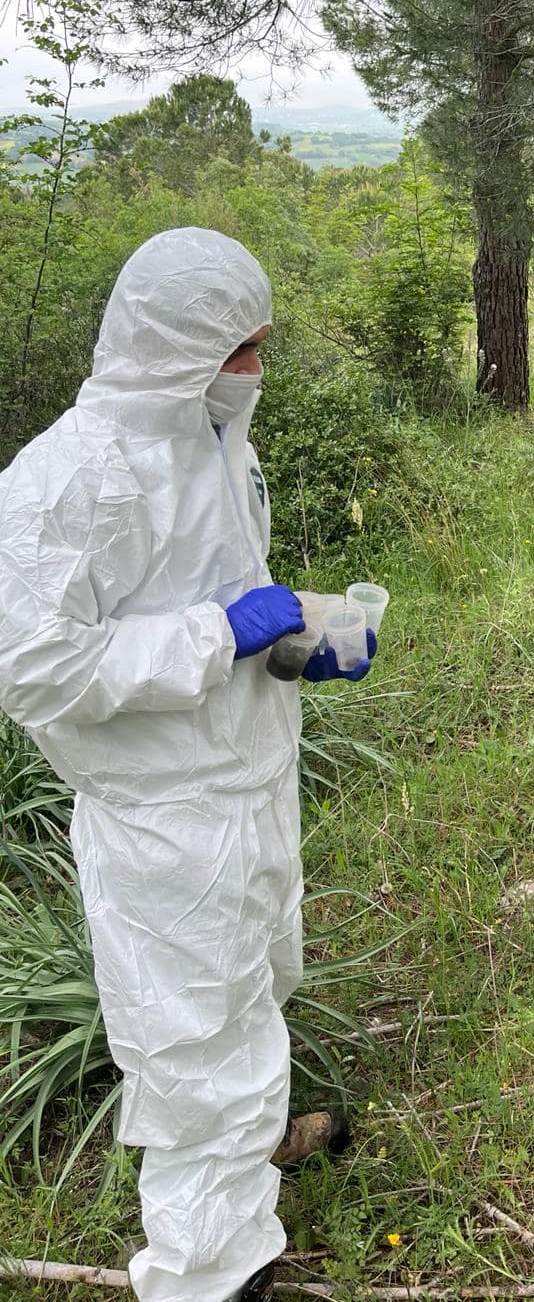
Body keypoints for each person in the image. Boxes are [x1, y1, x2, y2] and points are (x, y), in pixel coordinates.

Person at [0, 228, 375, 1302]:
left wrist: (294, 641)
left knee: (257, 987)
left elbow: (209, 594)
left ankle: (252, 1155)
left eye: (258, 346)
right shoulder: (60, 487)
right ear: (171, 346)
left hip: (246, 782)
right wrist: (223, 634)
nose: (256, 369)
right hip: (164, 821)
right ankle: (210, 1271)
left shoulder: (216, 439)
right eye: (239, 348)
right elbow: (40, 672)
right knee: (193, 1044)